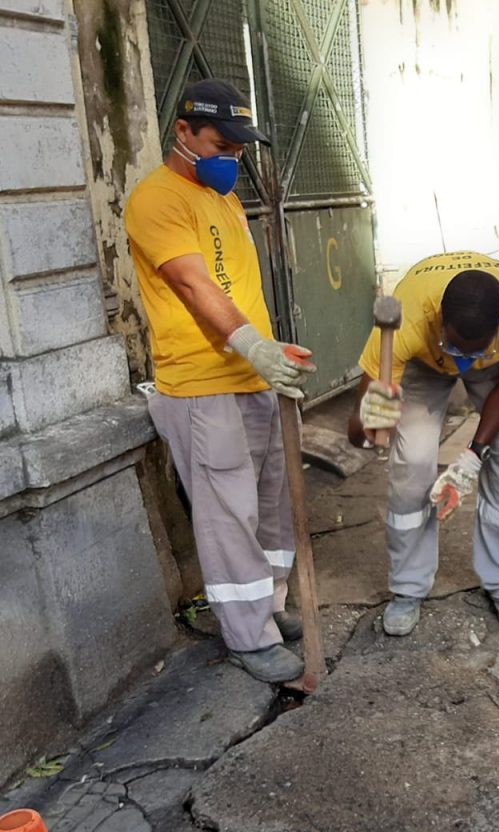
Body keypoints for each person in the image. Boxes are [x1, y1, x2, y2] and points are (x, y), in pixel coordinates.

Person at [125, 79, 316, 684]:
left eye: (239, 147)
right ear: (182, 132)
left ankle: (273, 605)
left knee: (269, 503)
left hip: (247, 372)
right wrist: (251, 344)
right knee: (227, 513)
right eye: (221, 143)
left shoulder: (222, 196)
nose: (232, 156)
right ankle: (247, 635)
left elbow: (235, 286)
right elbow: (192, 284)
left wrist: (268, 345)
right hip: (201, 382)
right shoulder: (157, 200)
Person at [348, 253, 499, 637]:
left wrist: (472, 458)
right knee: (411, 465)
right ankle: (408, 590)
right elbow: (360, 425)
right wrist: (370, 424)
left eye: (474, 348)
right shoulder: (402, 323)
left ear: (498, 328)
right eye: (457, 345)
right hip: (423, 363)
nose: (464, 361)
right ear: (439, 318)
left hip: (497, 368)